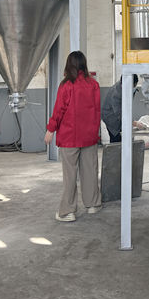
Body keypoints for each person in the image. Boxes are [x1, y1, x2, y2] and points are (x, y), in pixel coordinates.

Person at [44, 51, 102, 222]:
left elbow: (59, 110)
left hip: (69, 138)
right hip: (89, 137)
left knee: (70, 175)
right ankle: (93, 205)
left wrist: (50, 130)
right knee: (90, 172)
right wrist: (95, 132)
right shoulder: (94, 85)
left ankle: (68, 212)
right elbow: (97, 111)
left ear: (69, 65)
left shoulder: (66, 85)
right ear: (84, 64)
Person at [101, 74, 140, 143]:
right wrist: (134, 123)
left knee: (123, 139)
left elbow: (126, 107)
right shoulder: (116, 93)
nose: (134, 87)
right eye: (133, 86)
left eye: (135, 85)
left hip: (118, 116)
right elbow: (119, 112)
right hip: (111, 118)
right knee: (116, 140)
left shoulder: (126, 87)